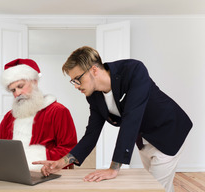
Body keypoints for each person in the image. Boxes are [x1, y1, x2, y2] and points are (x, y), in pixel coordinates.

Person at [33, 46, 192, 192]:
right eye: (72, 81)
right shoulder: (94, 96)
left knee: (154, 188)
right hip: (144, 140)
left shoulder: (134, 70)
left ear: (94, 70)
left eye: (77, 79)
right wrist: (61, 162)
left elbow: (131, 118)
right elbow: (91, 134)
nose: (75, 85)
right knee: (161, 186)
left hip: (169, 131)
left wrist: (114, 168)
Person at [0, 58, 77, 192]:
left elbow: (69, 148)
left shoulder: (58, 111)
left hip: (44, 174)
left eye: (20, 86)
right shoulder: (9, 116)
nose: (17, 93)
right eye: (12, 90)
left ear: (35, 82)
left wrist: (33, 157)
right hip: (10, 175)